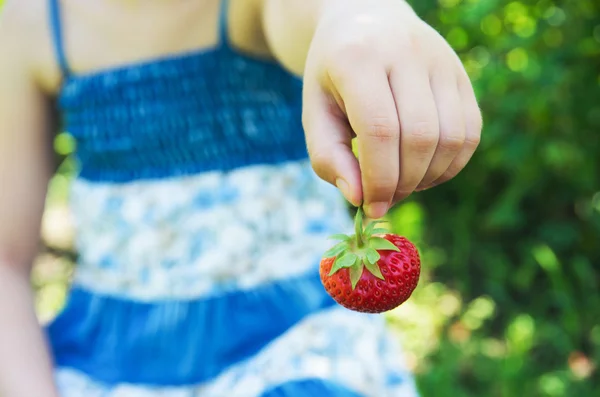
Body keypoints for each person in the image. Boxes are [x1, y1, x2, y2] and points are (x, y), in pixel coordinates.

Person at [0, 0, 482, 396]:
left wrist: (362, 20)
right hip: (112, 358)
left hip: (289, 338)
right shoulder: (31, 24)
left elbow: (323, 13)